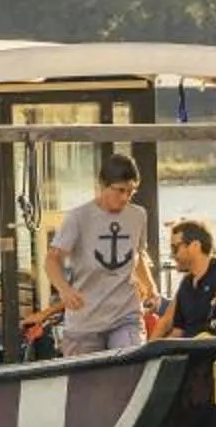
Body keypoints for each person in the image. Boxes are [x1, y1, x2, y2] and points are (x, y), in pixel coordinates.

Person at [48, 152, 160, 355]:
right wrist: (64, 289)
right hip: (85, 321)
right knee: (85, 382)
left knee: (129, 366)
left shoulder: (138, 216)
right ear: (103, 185)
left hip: (125, 315)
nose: (126, 197)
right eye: (120, 190)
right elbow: (52, 259)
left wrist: (150, 286)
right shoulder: (78, 218)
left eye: (131, 191)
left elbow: (137, 254)